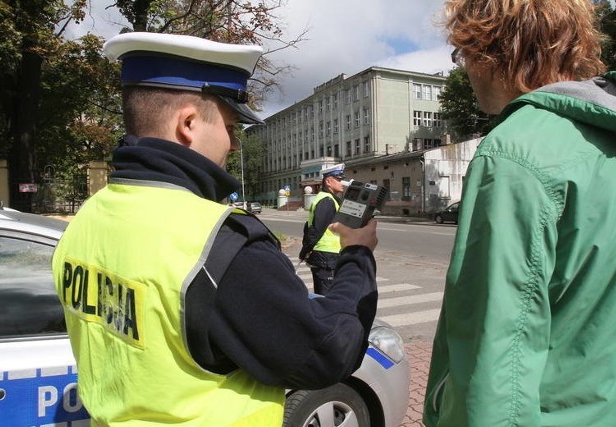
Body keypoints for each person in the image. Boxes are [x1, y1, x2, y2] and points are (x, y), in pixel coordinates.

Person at [52, 32, 379, 427]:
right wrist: (358, 255)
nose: (234, 145)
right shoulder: (218, 243)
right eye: (229, 125)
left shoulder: (87, 218)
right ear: (188, 123)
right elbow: (328, 353)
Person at [423, 1, 616, 426]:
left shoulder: (515, 151)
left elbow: (500, 355)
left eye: (463, 53)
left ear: (491, 49)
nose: (465, 69)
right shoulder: (613, 141)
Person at [299, 163, 347, 294]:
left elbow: (308, 226)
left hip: (328, 256)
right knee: (326, 299)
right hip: (326, 257)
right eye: (339, 179)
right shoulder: (327, 201)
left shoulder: (329, 198)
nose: (342, 182)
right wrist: (305, 251)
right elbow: (315, 229)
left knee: (328, 297)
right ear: (328, 181)